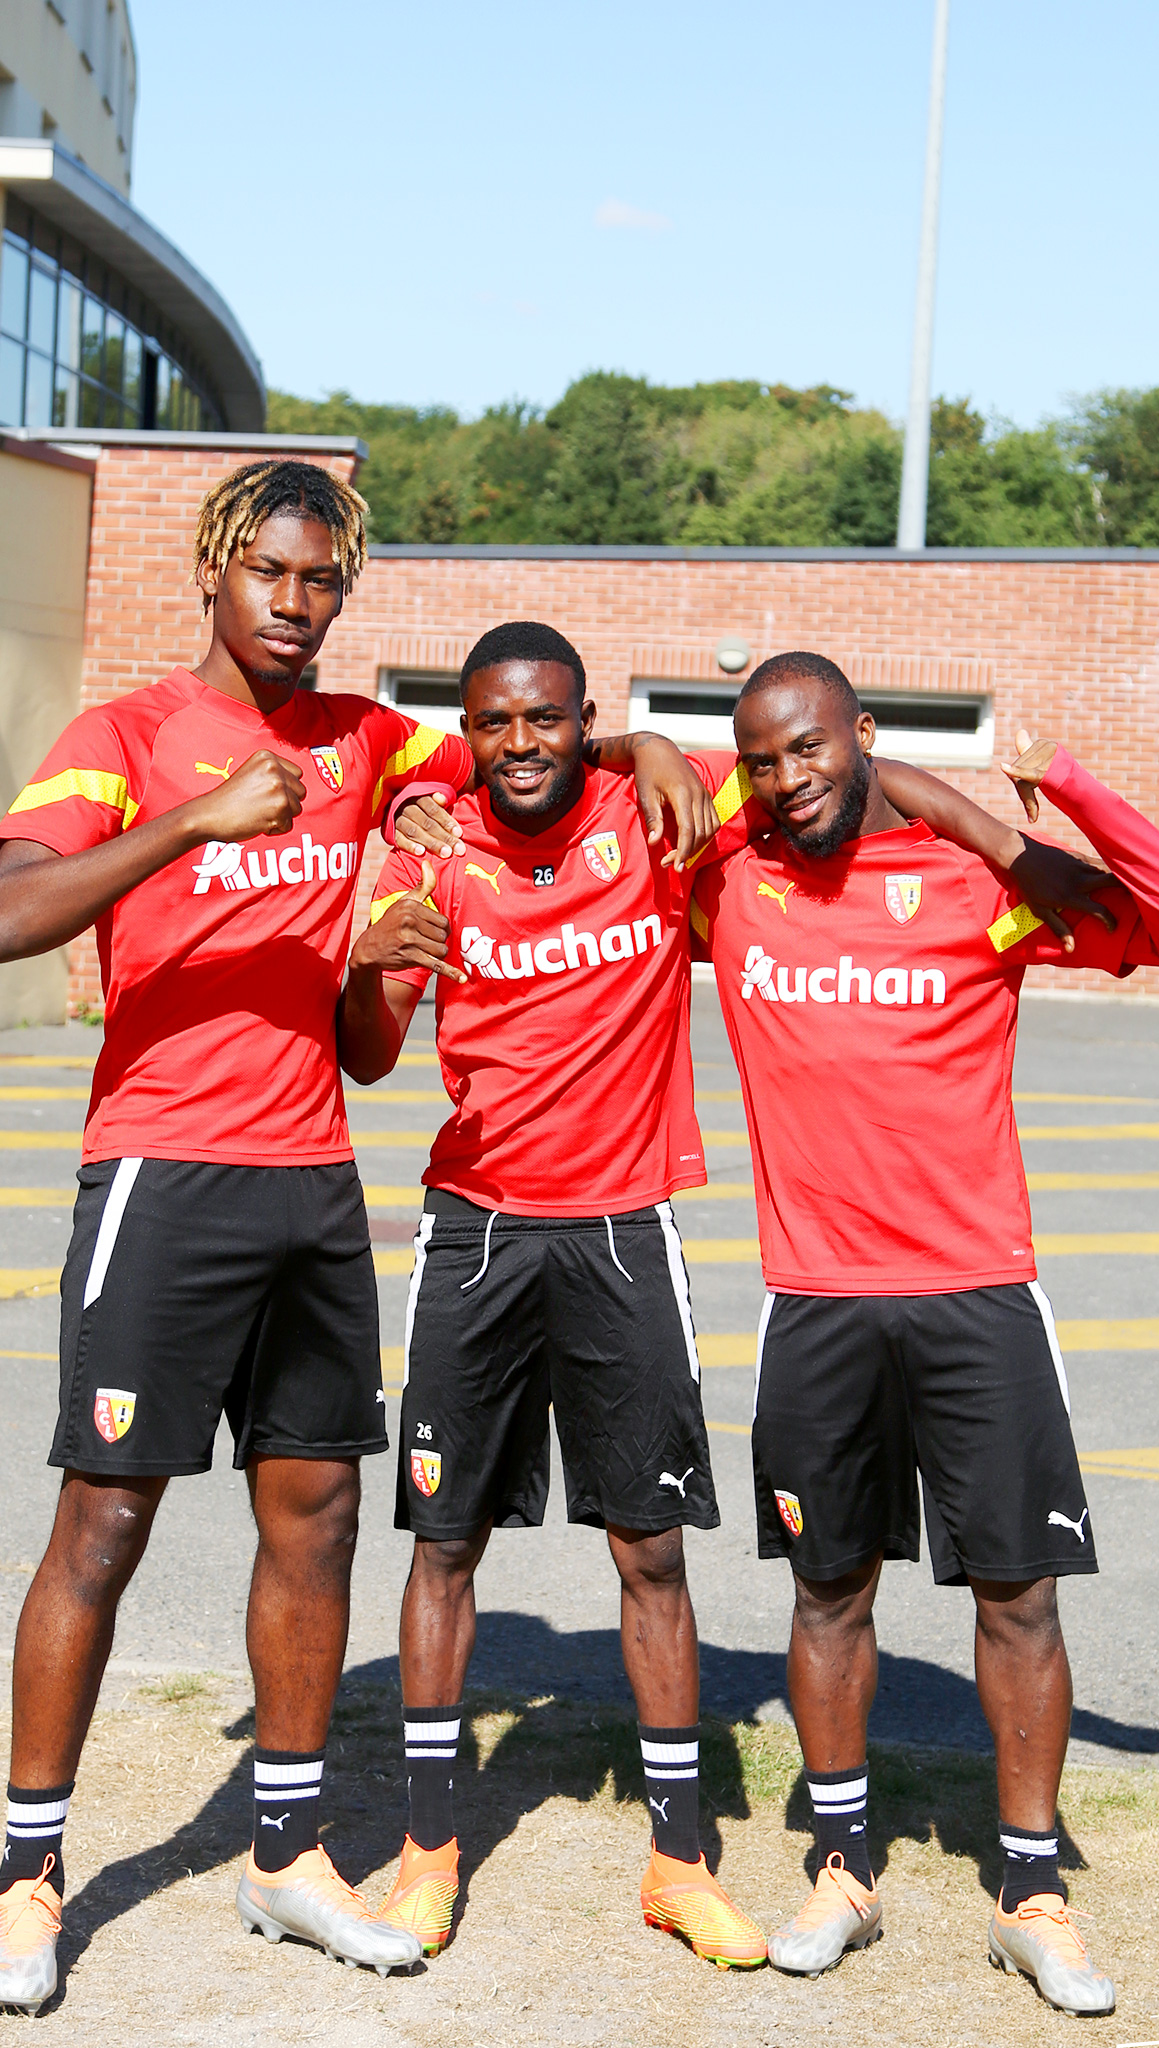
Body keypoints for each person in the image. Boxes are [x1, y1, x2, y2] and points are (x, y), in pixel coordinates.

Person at [0, 464, 708, 2014]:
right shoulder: (122, 740)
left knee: (315, 1520)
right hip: (161, 1175)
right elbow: (6, 920)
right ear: (218, 571)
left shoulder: (371, 741)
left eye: (324, 584)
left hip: (312, 1186)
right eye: (275, 576)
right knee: (102, 1524)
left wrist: (635, 742)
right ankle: (29, 1877)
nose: (298, 606)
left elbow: (527, 750)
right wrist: (198, 818)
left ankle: (287, 1853)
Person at [337, 620, 1103, 1970]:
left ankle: (680, 1858)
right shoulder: (433, 844)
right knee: (443, 1542)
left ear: (588, 721)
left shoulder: (660, 806)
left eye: (553, 719)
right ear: (470, 730)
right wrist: (360, 959)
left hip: (629, 1227)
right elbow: (369, 1054)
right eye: (495, 723)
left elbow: (815, 773)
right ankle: (425, 1849)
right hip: (475, 1231)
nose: (522, 742)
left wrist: (643, 745)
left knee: (651, 1551)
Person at [688, 651, 1159, 2012]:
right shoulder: (734, 886)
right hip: (815, 1302)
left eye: (811, 748)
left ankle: (1034, 1886)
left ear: (863, 736)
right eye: (759, 758)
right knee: (829, 1591)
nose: (784, 777)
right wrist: (684, 761)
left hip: (979, 1296)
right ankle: (841, 1861)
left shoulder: (982, 892)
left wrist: (1050, 795)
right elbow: (635, 782)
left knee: (1018, 1593)